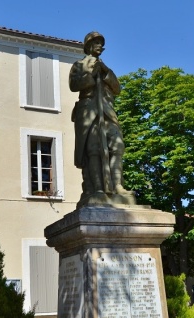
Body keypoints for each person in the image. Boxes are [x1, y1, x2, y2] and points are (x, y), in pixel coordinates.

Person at [69, 31, 132, 202]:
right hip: (89, 110)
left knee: (117, 146)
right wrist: (90, 75)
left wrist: (104, 72)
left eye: (101, 43)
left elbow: (117, 89)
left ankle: (118, 186)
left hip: (107, 110)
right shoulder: (78, 65)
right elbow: (74, 85)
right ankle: (97, 188)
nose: (100, 46)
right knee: (94, 150)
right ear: (89, 45)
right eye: (96, 42)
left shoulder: (105, 68)